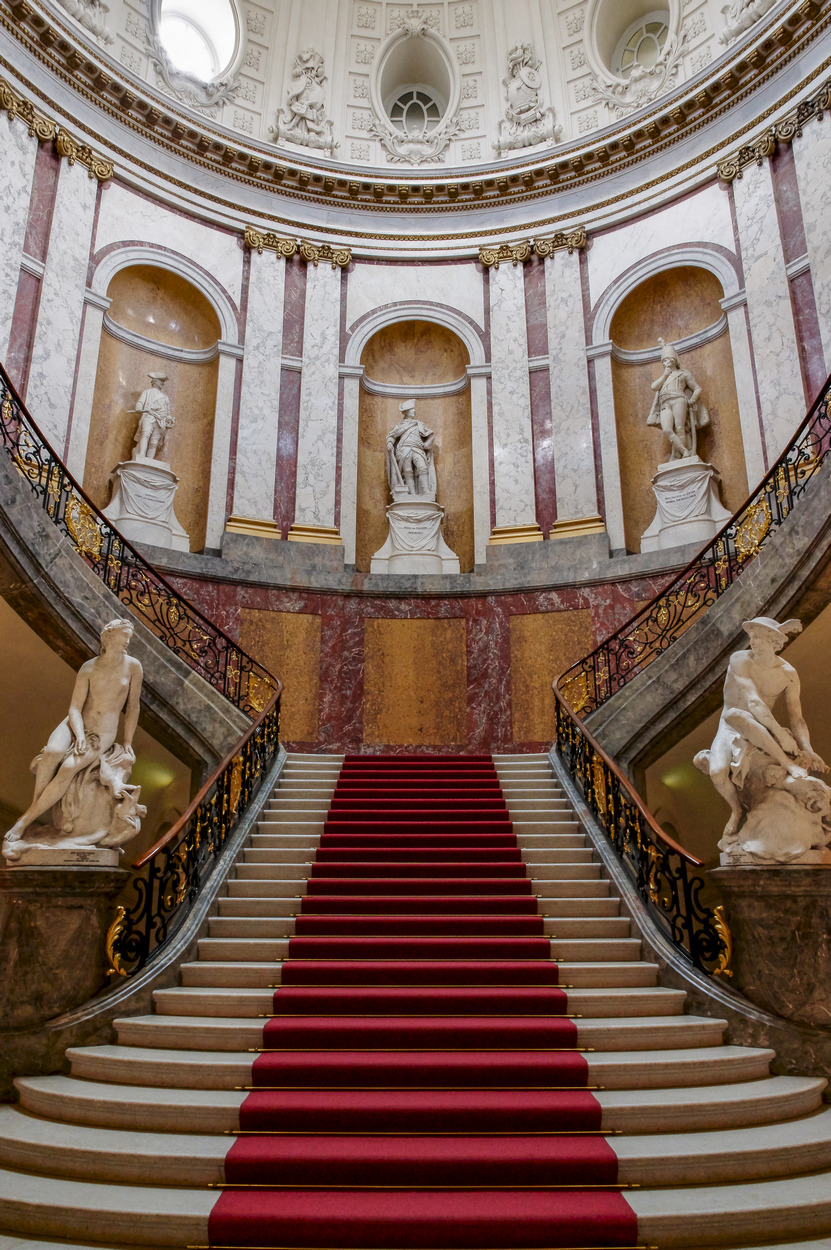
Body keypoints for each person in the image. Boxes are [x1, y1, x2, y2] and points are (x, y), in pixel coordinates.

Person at [2, 619, 143, 857]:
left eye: (129, 636)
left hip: (102, 733)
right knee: (52, 754)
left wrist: (127, 742)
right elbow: (75, 708)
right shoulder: (89, 667)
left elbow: (133, 708)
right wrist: (78, 735)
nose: (128, 641)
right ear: (108, 638)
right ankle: (36, 807)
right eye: (124, 635)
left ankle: (24, 821)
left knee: (67, 767)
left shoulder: (133, 666)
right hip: (75, 724)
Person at [694, 616, 828, 839]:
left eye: (759, 637)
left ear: (774, 642)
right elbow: (753, 701)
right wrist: (780, 735)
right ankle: (736, 810)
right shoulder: (740, 659)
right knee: (718, 772)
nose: (753, 642)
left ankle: (787, 766)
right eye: (752, 637)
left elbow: (797, 719)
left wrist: (809, 749)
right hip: (731, 727)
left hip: (761, 727)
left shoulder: (788, 673)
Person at [646, 339, 709, 461]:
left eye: (667, 359)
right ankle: (683, 450)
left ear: (674, 359)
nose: (665, 362)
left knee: (679, 428)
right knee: (667, 429)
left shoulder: (683, 373)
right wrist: (665, 375)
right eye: (663, 360)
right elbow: (653, 387)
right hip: (664, 403)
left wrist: (692, 400)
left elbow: (697, 388)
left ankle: (684, 457)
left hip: (679, 399)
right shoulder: (664, 376)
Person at [385, 400, 437, 500]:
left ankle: (426, 491)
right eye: (412, 409)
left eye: (414, 409)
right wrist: (390, 443)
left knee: (423, 468)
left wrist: (426, 444)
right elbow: (392, 435)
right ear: (406, 412)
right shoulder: (400, 425)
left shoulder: (419, 424)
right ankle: (412, 494)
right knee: (408, 472)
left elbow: (431, 435)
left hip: (417, 449)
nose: (414, 411)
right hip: (404, 450)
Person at [133, 372, 174, 460]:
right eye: (161, 381)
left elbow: (167, 412)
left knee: (154, 442)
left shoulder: (165, 397)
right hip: (149, 416)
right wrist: (139, 407)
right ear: (155, 381)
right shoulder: (147, 392)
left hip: (160, 421)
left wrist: (169, 420)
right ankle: (141, 455)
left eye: (163, 381)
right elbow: (140, 403)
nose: (163, 383)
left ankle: (149, 460)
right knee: (145, 435)